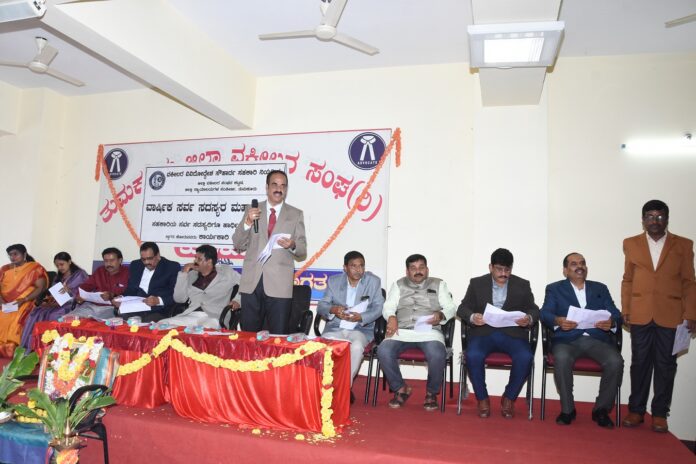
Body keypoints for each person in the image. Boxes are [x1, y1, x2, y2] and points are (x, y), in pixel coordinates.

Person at [621, 200, 696, 433]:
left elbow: (689, 282)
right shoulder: (631, 243)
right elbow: (628, 279)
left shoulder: (684, 245)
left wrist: (691, 313)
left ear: (667, 219)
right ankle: (636, 410)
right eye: (650, 216)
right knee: (639, 363)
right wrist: (626, 309)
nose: (655, 221)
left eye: (660, 216)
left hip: (671, 314)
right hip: (640, 313)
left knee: (666, 365)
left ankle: (660, 414)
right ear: (643, 220)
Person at [540, 252, 623, 428]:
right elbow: (545, 313)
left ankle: (601, 410)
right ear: (565, 270)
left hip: (596, 339)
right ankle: (567, 410)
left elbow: (616, 313)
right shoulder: (554, 289)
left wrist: (612, 322)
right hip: (566, 340)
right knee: (561, 358)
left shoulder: (600, 288)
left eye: (582, 263)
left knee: (615, 361)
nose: (579, 266)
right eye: (574, 264)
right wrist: (558, 321)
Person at [457, 248, 538, 419]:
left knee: (525, 357)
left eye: (507, 270)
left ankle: (509, 398)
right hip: (483, 332)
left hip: (513, 334)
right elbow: (462, 308)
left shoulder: (522, 285)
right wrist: (472, 317)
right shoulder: (477, 283)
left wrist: (529, 318)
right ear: (490, 267)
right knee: (473, 355)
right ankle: (482, 399)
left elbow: (534, 309)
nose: (503, 274)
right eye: (499, 269)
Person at [376, 254, 456, 411]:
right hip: (402, 330)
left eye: (421, 267)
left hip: (429, 331)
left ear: (427, 269)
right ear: (407, 271)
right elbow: (388, 306)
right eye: (413, 268)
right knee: (383, 350)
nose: (418, 271)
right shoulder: (398, 284)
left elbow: (451, 308)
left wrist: (440, 315)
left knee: (437, 353)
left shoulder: (439, 284)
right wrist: (391, 317)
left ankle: (431, 393)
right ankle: (401, 388)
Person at [232, 170, 307, 334]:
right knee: (248, 336)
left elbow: (302, 250)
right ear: (267, 187)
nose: (279, 189)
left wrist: (292, 244)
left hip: (279, 285)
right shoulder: (252, 210)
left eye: (283, 186)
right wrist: (247, 222)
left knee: (277, 336)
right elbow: (238, 243)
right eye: (275, 184)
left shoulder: (295, 214)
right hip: (252, 283)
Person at [317, 251, 384, 404]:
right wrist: (333, 309)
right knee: (324, 347)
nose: (358, 270)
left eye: (361, 266)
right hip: (336, 327)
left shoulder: (373, 281)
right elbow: (322, 306)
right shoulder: (334, 281)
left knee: (357, 347)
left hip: (361, 328)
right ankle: (325, 386)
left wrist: (361, 317)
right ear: (345, 268)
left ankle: (343, 388)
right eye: (353, 266)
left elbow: (379, 307)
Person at [159, 244, 241, 329]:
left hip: (214, 317)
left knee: (205, 329)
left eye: (199, 259)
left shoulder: (226, 272)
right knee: (161, 324)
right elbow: (179, 299)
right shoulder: (191, 275)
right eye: (195, 258)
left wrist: (237, 300)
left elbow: (245, 285)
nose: (195, 261)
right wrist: (184, 273)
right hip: (191, 315)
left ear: (209, 261)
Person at [20, 252, 88, 350]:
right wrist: (49, 300)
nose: (60, 268)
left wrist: (70, 291)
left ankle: (51, 347)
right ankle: (31, 346)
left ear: (69, 262)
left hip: (73, 304)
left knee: (53, 315)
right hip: (58, 303)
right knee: (37, 311)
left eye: (62, 264)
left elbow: (85, 292)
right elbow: (54, 293)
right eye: (57, 266)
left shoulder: (80, 274)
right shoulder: (58, 277)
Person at [113, 242, 180, 323]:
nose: (146, 262)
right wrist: (122, 298)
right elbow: (131, 289)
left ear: (158, 255)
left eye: (150, 258)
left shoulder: (171, 267)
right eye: (143, 259)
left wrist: (158, 300)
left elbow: (177, 295)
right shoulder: (135, 265)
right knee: (120, 320)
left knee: (147, 322)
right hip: (136, 307)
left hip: (159, 309)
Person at [0, 244, 47, 357]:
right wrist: (1, 302)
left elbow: (40, 288)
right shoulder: (5, 269)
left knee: (16, 316)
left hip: (26, 301)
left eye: (15, 254)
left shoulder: (34, 268)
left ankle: (11, 347)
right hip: (5, 302)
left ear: (24, 254)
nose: (13, 257)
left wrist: (24, 300)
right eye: (10, 255)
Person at [70, 247, 130, 319]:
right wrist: (79, 295)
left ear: (120, 260)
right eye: (106, 261)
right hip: (91, 306)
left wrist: (112, 295)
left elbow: (130, 293)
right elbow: (86, 286)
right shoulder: (100, 270)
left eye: (112, 260)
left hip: (112, 308)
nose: (108, 264)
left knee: (93, 322)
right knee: (68, 319)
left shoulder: (128, 272)